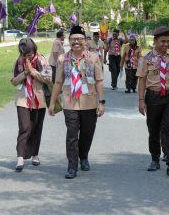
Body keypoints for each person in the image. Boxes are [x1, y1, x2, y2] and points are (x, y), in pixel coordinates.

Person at [48, 25, 105, 179]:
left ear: (85, 41)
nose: (76, 42)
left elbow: (99, 81)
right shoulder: (63, 59)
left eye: (79, 39)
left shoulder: (93, 58)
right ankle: (72, 166)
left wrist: (102, 102)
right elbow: (58, 83)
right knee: (72, 134)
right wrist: (52, 103)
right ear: (69, 41)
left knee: (87, 132)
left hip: (89, 101)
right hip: (70, 101)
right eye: (73, 39)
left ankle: (84, 156)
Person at [136, 26, 169, 176]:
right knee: (153, 130)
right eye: (163, 42)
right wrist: (141, 100)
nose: (166, 44)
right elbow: (142, 80)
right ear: (155, 41)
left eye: (168, 42)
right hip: (153, 97)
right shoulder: (145, 59)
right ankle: (155, 159)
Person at [10, 38, 51, 172]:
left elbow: (48, 78)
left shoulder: (42, 60)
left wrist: (32, 71)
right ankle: (20, 158)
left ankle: (35, 154)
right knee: (24, 127)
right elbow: (14, 81)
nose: (28, 56)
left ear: (35, 50)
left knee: (36, 128)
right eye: (25, 54)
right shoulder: (18, 62)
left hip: (39, 99)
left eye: (30, 53)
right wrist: (25, 72)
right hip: (23, 99)